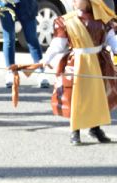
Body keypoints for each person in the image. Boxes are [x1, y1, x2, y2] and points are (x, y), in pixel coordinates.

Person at [41, 0, 117, 144]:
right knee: (76, 97)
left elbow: (112, 39)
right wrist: (46, 59)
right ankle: (74, 131)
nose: (74, 1)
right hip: (76, 63)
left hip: (98, 62)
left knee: (97, 96)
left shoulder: (102, 19)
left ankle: (95, 128)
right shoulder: (67, 21)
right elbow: (58, 44)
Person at [0, 0, 50, 88]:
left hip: (26, 3)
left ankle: (40, 71)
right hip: (5, 3)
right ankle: (10, 71)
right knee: (9, 38)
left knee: (31, 38)